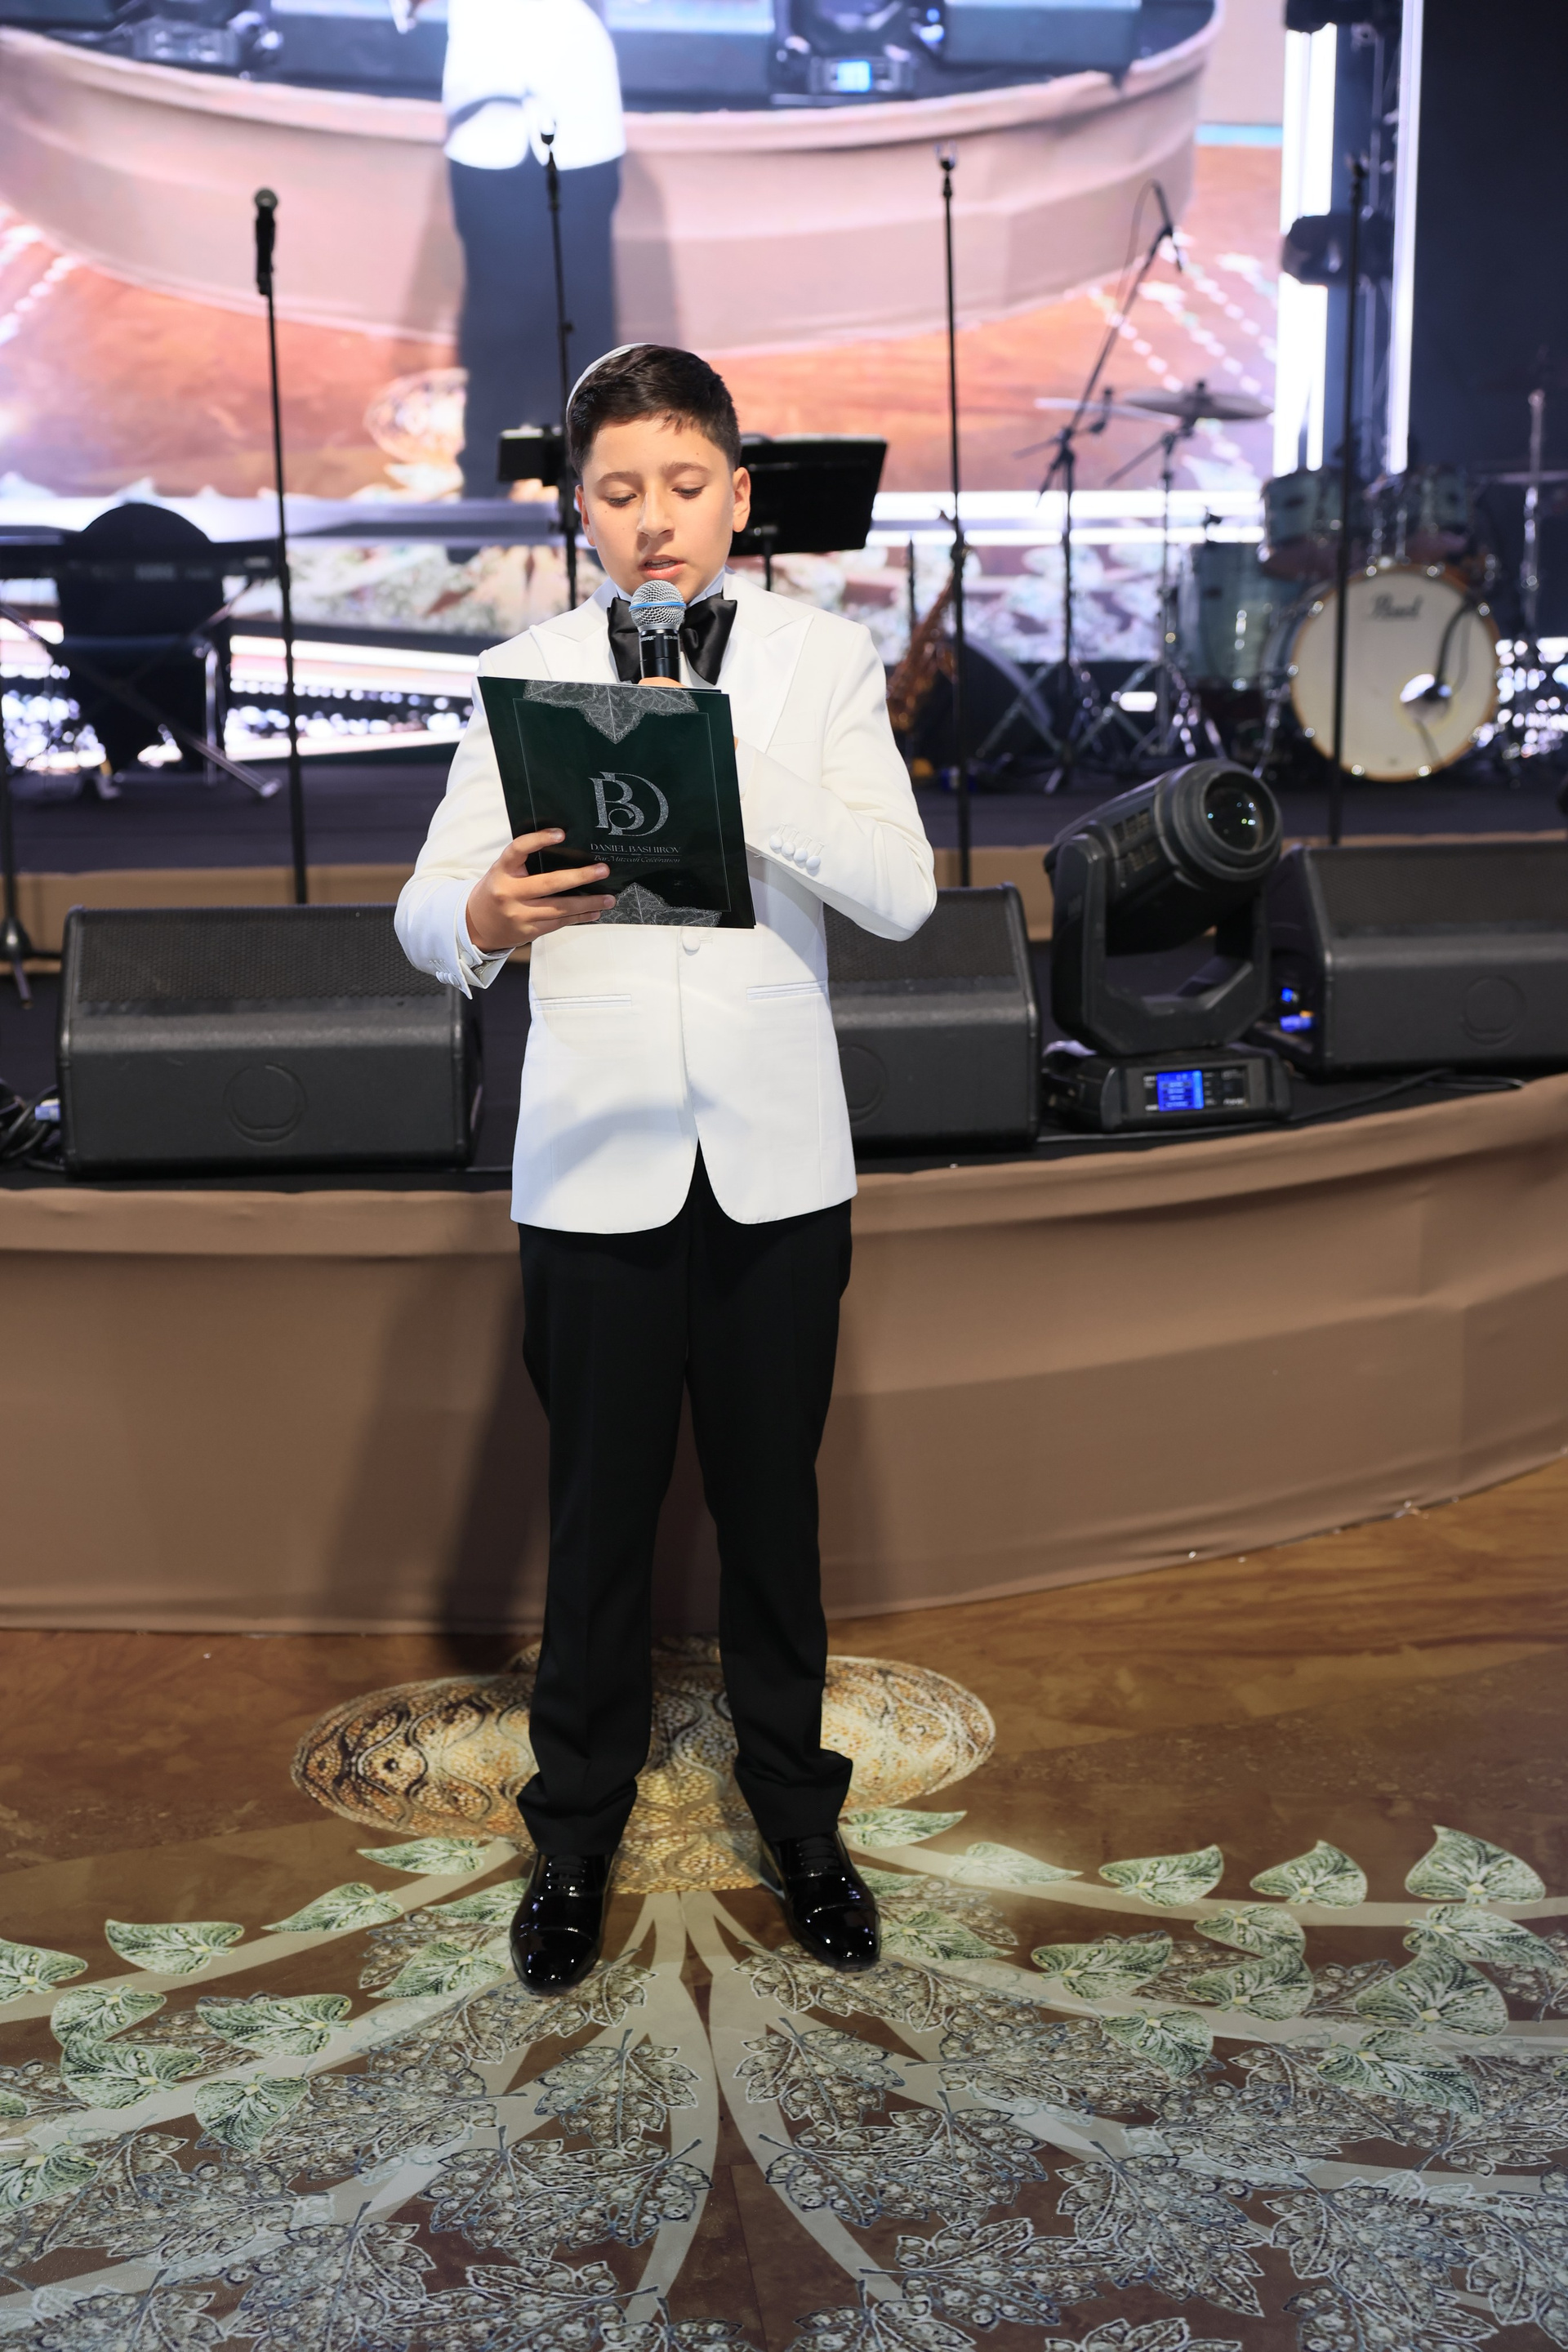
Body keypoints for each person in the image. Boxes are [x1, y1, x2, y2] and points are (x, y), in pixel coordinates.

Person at [395, 343, 937, 1991]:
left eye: (686, 487)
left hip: (777, 1165)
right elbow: (423, 913)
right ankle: (573, 1840)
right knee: (597, 1526)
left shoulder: (823, 663)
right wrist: (482, 915)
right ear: (580, 510)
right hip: (591, 1166)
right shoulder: (525, 674)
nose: (655, 519)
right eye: (620, 492)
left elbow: (903, 895)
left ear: (739, 496)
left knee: (776, 1513)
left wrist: (728, 764)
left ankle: (803, 1825)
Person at [405, 0, 625, 497]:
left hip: (581, 115)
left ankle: (591, 492)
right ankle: (484, 486)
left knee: (584, 318)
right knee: (493, 323)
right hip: (481, 124)